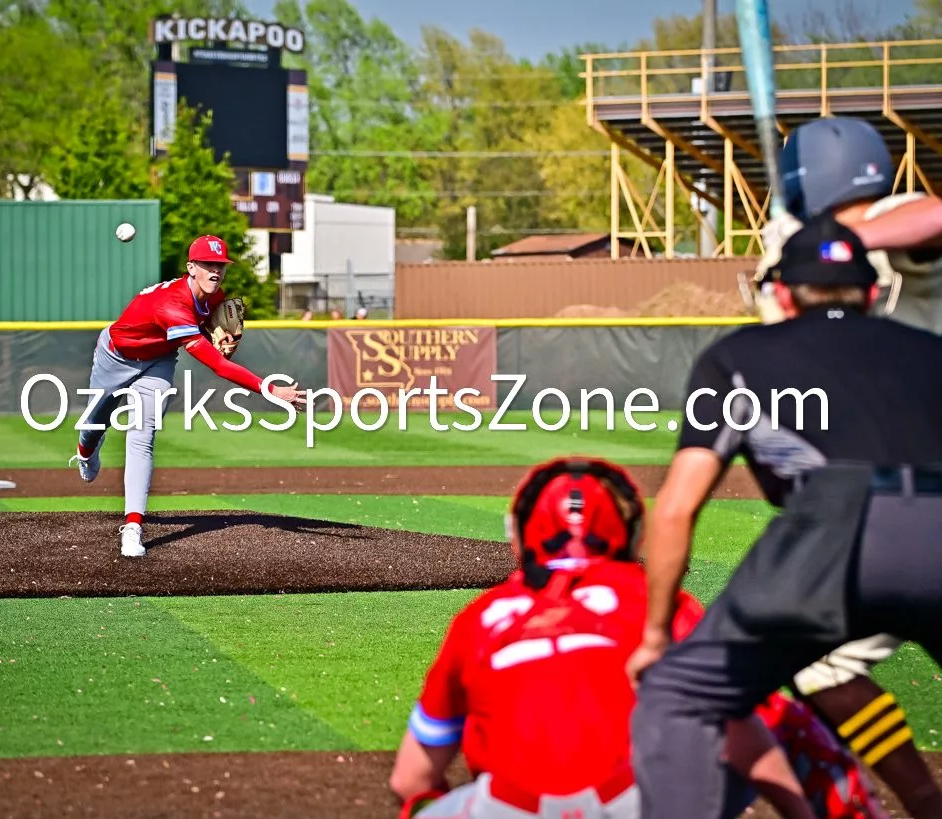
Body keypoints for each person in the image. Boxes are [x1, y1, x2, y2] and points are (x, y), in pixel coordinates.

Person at [626, 214, 942, 819]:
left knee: (678, 694)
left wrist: (656, 634)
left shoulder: (737, 357)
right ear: (873, 293)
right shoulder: (931, 350)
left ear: (782, 294)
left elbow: (677, 509)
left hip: (834, 529)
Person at [390, 456, 887, 819]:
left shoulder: (479, 618)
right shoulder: (658, 602)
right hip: (635, 803)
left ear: (520, 535)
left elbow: (409, 778)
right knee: (779, 718)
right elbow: (742, 727)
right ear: (630, 533)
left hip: (509, 807)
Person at [741, 116, 942, 818]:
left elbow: (935, 216)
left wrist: (847, 238)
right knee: (822, 663)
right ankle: (926, 803)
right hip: (893, 503)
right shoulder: (798, 247)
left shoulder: (890, 219)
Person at [68, 234, 306, 558]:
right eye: (208, 264)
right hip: (116, 356)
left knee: (142, 435)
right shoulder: (173, 305)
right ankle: (86, 451)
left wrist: (216, 334)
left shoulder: (214, 296)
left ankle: (133, 527)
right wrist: (271, 389)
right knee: (95, 423)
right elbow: (218, 366)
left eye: (220, 265)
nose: (216, 271)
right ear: (191, 267)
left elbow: (211, 334)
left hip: (159, 361)